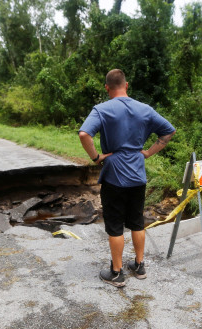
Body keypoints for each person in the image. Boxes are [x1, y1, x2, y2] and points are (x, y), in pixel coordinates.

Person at [78, 69, 176, 287]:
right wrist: (148, 152)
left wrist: (96, 157)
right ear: (126, 85)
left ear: (107, 87)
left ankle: (116, 272)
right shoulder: (145, 109)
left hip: (114, 175)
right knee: (137, 222)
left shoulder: (101, 110)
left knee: (115, 226)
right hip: (137, 174)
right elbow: (168, 131)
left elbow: (84, 134)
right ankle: (140, 266)